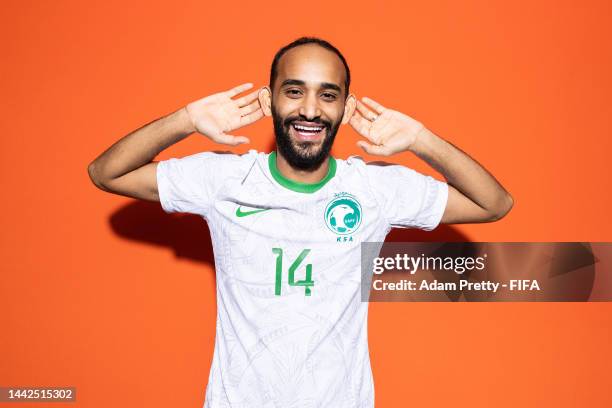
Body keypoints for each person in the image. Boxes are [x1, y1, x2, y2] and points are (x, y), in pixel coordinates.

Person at [88, 36, 513, 407]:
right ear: (269, 97)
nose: (310, 110)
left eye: (328, 95)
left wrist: (421, 138)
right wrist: (185, 120)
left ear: (346, 108)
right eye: (294, 91)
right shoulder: (225, 180)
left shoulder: (372, 189)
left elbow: (493, 203)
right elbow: (106, 173)